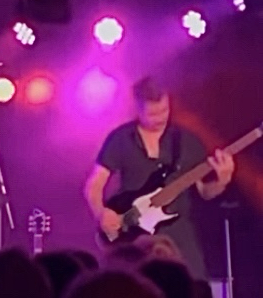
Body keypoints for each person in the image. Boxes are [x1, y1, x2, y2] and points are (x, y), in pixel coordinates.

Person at [83, 76, 235, 279]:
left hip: (180, 241)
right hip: (135, 242)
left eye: (164, 110)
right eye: (152, 114)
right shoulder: (120, 138)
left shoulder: (187, 141)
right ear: (138, 109)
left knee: (191, 287)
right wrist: (102, 213)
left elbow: (205, 192)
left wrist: (222, 180)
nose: (160, 118)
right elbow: (94, 186)